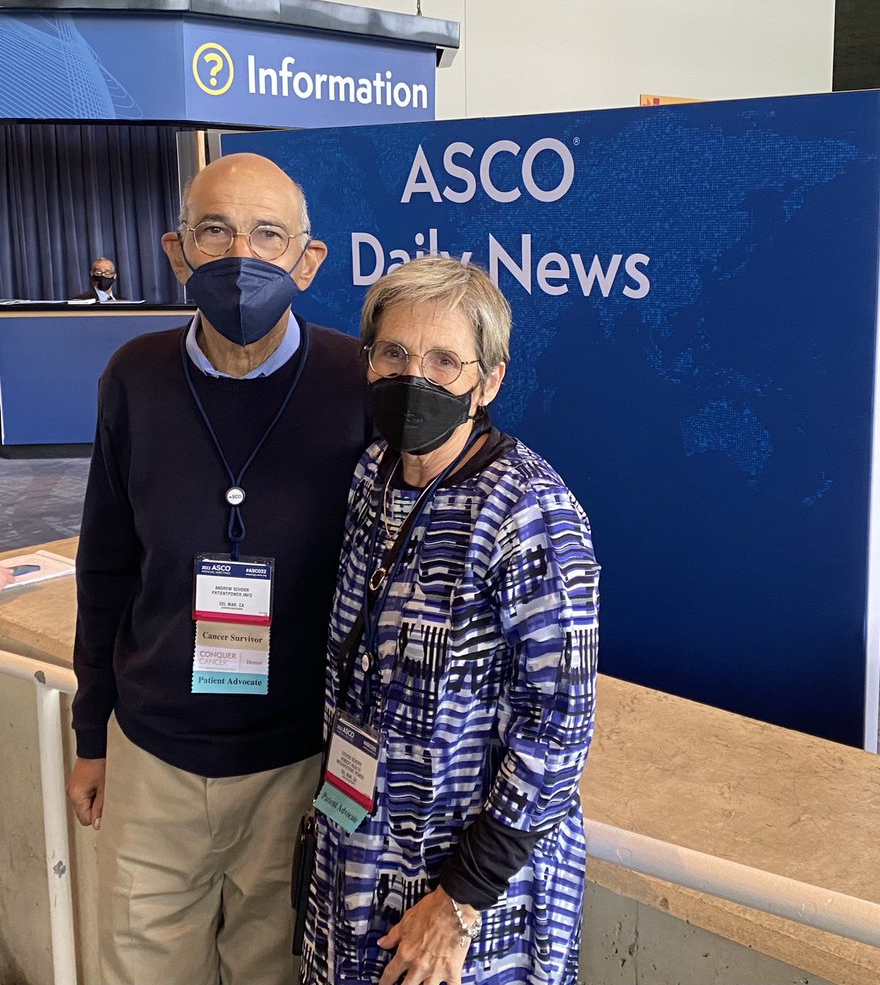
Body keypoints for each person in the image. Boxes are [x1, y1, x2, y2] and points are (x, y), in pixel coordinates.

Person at [66, 152, 372, 985]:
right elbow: (105, 567)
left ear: (309, 262)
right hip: (153, 756)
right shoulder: (134, 376)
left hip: (298, 764)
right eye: (216, 230)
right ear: (177, 252)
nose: (242, 253)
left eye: (268, 233)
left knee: (276, 969)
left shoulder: (360, 386)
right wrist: (90, 731)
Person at [300, 257, 600, 985]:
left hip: (468, 902)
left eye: (443, 360)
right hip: (356, 853)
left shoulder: (528, 511)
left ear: (488, 380)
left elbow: (559, 727)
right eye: (394, 354)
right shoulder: (371, 476)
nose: (415, 376)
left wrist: (462, 899)